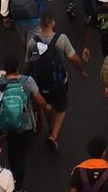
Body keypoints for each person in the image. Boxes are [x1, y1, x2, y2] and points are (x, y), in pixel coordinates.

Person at [25, 10, 86, 154]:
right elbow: (74, 59)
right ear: (53, 22)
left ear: (40, 24)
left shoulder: (32, 42)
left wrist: (26, 79)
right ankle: (54, 136)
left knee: (46, 105)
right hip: (58, 82)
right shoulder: (61, 39)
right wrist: (81, 70)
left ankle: (51, 126)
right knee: (61, 109)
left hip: (39, 83)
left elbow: (27, 63)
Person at [0, 52, 49, 192]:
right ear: (17, 67)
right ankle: (19, 187)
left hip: (6, 124)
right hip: (25, 124)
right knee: (21, 155)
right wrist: (46, 105)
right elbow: (39, 100)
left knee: (12, 150)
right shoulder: (27, 81)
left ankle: (11, 175)